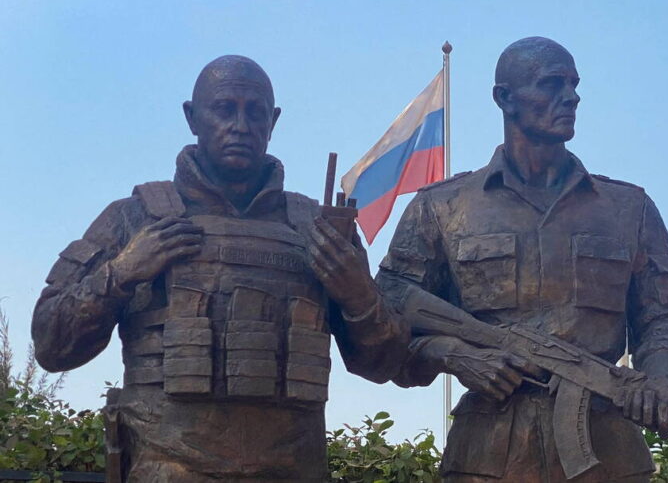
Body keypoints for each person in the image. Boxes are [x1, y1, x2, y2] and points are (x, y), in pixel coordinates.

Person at [32, 55, 406, 482]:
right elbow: (51, 345)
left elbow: (384, 364)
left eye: (256, 112)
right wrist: (121, 274)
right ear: (193, 117)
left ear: (274, 121)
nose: (241, 126)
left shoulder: (317, 229)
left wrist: (359, 296)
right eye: (225, 109)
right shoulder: (133, 218)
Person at [376, 37, 668, 482]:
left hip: (608, 454)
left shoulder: (629, 208)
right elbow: (388, 322)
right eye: (551, 84)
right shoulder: (444, 208)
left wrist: (661, 381)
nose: (570, 97)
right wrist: (450, 352)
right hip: (487, 459)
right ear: (504, 98)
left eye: (573, 85)